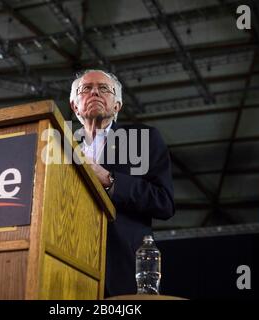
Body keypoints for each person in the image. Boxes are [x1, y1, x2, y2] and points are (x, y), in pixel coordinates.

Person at [69, 69, 175, 297]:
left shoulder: (143, 140)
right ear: (74, 106)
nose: (95, 92)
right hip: (66, 266)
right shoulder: (61, 148)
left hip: (121, 272)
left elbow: (164, 202)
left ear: (117, 106)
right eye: (85, 88)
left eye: (104, 88)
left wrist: (109, 180)